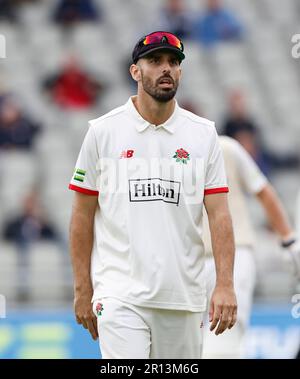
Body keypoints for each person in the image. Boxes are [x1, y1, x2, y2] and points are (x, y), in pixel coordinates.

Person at [68, 31, 237, 359]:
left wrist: (225, 283)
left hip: (184, 298)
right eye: (155, 61)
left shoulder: (203, 135)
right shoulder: (103, 132)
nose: (166, 69)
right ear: (135, 71)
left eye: (174, 63)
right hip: (119, 296)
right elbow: (81, 214)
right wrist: (82, 287)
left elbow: (219, 214)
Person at [202, 136, 300, 359]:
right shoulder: (167, 152)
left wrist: (289, 240)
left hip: (235, 256)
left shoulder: (226, 147)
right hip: (188, 260)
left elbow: (263, 191)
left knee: (224, 342)